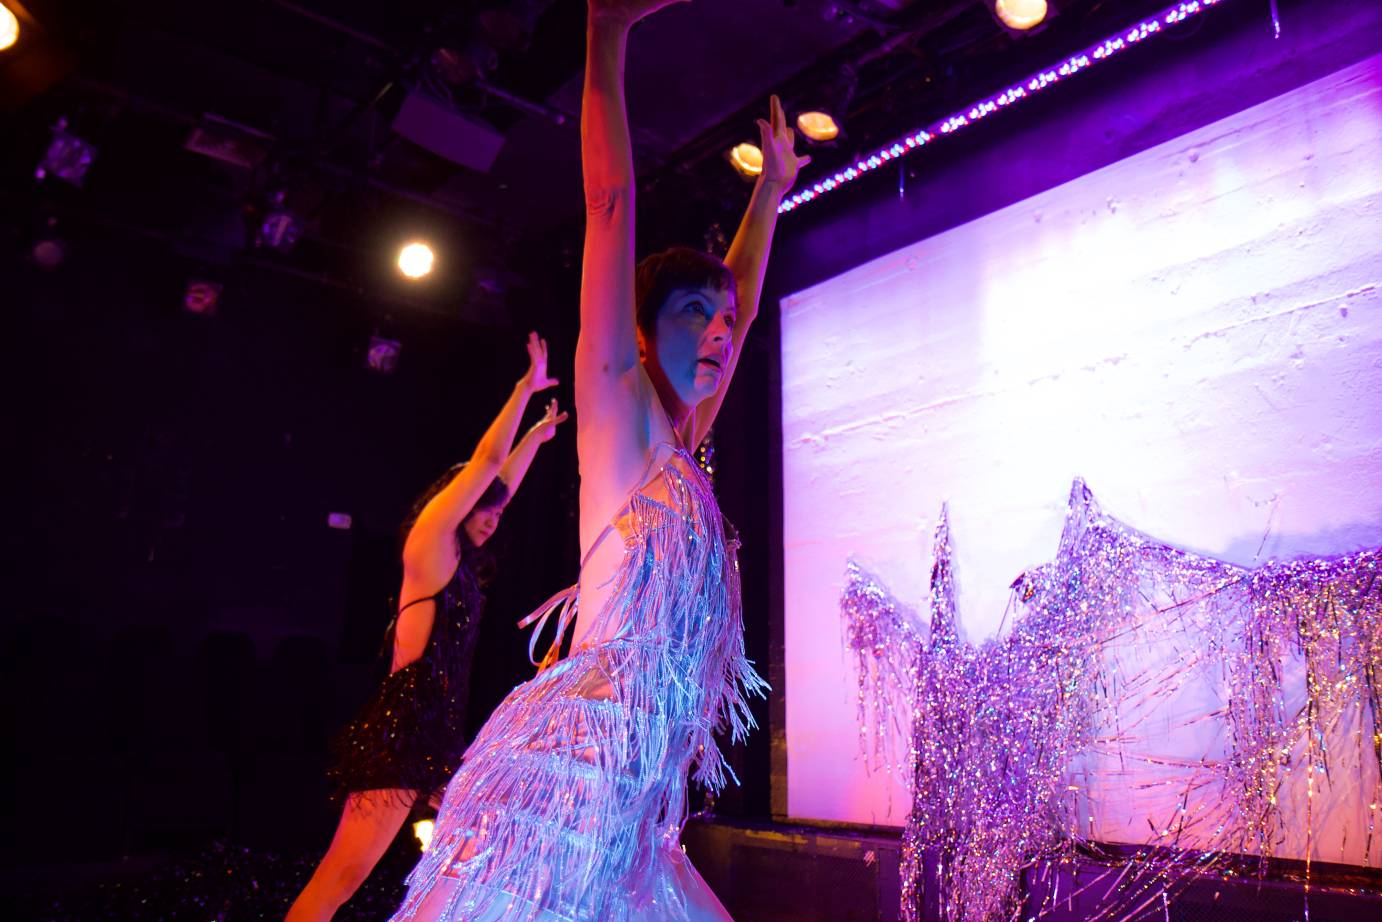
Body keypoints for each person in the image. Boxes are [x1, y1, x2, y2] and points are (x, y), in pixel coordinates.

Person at [388, 1, 808, 918]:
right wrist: (607, 35)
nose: (721, 333)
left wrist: (769, 196)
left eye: (729, 325)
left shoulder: (686, 451)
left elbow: (734, 290)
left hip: (638, 811)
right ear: (643, 334)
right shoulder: (618, 409)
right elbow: (609, 201)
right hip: (572, 782)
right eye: (694, 313)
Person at [286, 333, 569, 922]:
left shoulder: (461, 561)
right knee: (339, 881)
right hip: (400, 737)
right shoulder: (431, 547)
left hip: (439, 738)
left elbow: (501, 483)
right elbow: (487, 467)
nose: (494, 520)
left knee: (476, 848)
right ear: (455, 504)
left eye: (497, 512)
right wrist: (523, 390)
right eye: (483, 510)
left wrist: (538, 438)